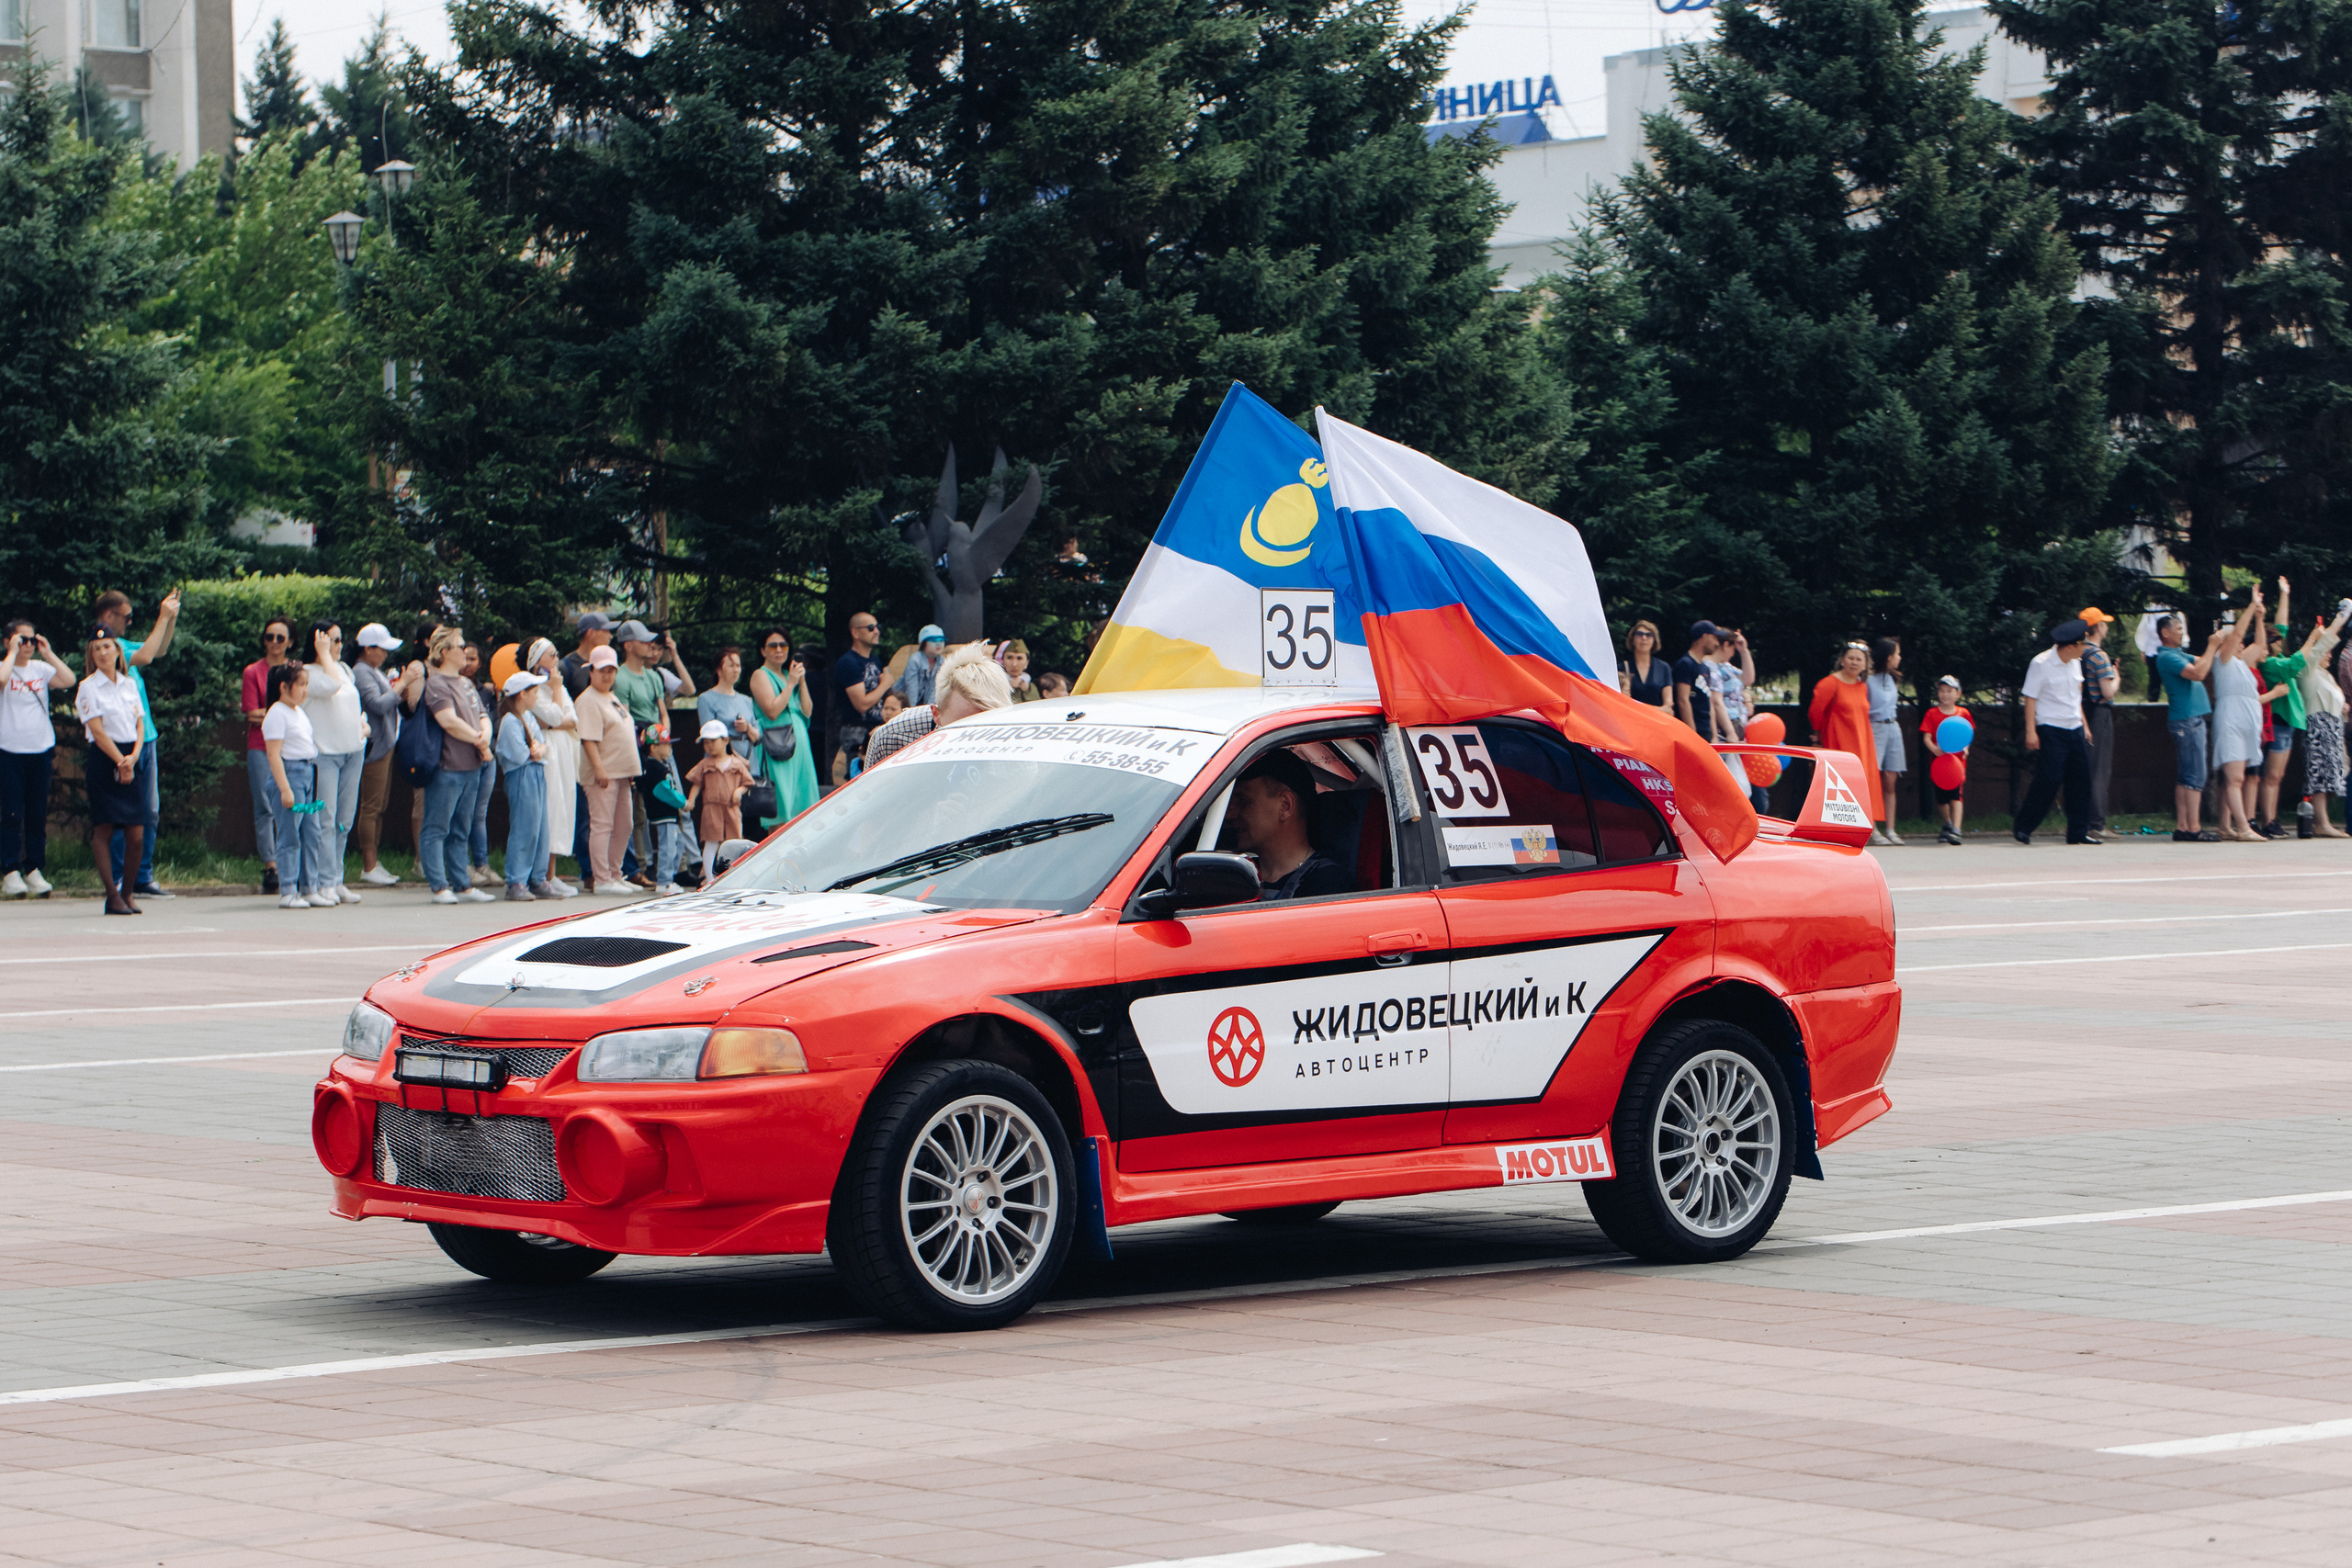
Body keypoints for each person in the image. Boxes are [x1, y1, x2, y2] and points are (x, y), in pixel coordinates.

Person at [92, 588, 179, 900]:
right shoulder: (110, 648)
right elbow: (145, 656)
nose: (129, 622)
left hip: (147, 738)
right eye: (126, 617)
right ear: (108, 616)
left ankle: (142, 876)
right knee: (124, 814)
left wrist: (170, 621)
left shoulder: (124, 644)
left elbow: (159, 650)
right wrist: (162, 617)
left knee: (150, 811)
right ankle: (119, 877)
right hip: (124, 743)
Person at [418, 626, 496, 904]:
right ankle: (439, 885)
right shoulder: (437, 684)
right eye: (460, 646)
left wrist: (483, 737)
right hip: (448, 766)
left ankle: (462, 884)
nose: (466, 652)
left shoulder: (465, 683)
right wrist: (480, 741)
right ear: (443, 652)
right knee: (438, 827)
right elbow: (448, 721)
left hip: (472, 765)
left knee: (461, 827)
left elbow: (483, 715)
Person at [76, 629, 146, 915]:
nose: (103, 653)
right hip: (106, 758)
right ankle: (111, 895)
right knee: (104, 827)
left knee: (137, 833)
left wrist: (134, 756)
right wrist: (121, 762)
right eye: (97, 649)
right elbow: (97, 730)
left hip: (131, 753)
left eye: (107, 647)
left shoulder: (129, 684)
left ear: (118, 651)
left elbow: (140, 724)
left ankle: (127, 893)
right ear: (92, 656)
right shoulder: (88, 687)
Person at [2, 620, 72, 898]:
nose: (28, 644)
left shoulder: (41, 670)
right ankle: (9, 871)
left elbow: (68, 679)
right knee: (11, 813)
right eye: (22, 639)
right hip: (8, 750)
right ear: (9, 640)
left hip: (40, 749)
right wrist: (11, 653)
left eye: (31, 640)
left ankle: (33, 869)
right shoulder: (4, 667)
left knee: (36, 814)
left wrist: (48, 653)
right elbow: (2, 680)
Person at [300, 622, 368, 904]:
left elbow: (352, 704)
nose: (339, 645)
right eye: (333, 640)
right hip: (325, 754)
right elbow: (330, 687)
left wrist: (364, 726)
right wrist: (324, 654)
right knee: (326, 820)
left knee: (344, 821)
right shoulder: (308, 673)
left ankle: (337, 879)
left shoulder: (344, 670)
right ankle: (323, 881)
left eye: (340, 640)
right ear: (319, 642)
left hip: (353, 751)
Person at [1229, 749, 1353, 900]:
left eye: (1243, 801)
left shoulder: (1331, 887)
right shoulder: (1236, 879)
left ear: (1285, 806)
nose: (1229, 815)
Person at [2014, 618, 2097, 846]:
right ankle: (2024, 827)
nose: (2084, 649)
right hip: (2051, 728)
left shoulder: (2075, 662)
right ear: (2070, 646)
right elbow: (2030, 698)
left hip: (2074, 728)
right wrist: (2031, 731)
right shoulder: (2041, 663)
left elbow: (2075, 697)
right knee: (2048, 779)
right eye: (2082, 645)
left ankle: (2078, 832)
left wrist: (2085, 725)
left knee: (2081, 781)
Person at [864, 643, 1014, 765]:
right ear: (936, 714)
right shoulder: (893, 738)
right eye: (963, 727)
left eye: (989, 727)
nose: (974, 739)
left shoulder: (1018, 746)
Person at [572, 648, 643, 894]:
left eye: (611, 670)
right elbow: (588, 739)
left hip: (622, 772)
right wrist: (599, 769)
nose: (607, 675)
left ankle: (615, 873)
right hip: (604, 773)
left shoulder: (611, 698)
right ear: (591, 670)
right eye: (602, 670)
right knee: (602, 825)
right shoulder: (588, 700)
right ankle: (602, 878)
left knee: (624, 825)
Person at [260, 662, 330, 909]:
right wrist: (285, 788)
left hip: (308, 772)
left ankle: (309, 887)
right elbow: (273, 754)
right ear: (284, 687)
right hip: (290, 774)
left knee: (311, 833)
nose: (304, 690)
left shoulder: (298, 712)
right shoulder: (277, 713)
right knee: (290, 836)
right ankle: (288, 889)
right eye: (301, 684)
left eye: (306, 684)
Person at [2150, 613, 2224, 841]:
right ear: (2166, 633)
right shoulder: (2168, 657)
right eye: (2179, 629)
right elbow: (2199, 672)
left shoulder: (2176, 654)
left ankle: (2183, 826)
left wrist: (2219, 643)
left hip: (2186, 720)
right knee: (2194, 776)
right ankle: (2194, 828)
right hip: (2187, 720)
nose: (2183, 633)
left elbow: (2204, 661)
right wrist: (2212, 644)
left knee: (2186, 777)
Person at [240, 616, 295, 894]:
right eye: (269, 637)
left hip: (290, 748)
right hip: (260, 746)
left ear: (290, 643)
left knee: (291, 804)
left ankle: (290, 863)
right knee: (265, 807)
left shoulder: (294, 672)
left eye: (280, 638)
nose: (274, 643)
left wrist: (272, 713)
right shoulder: (253, 672)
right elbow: (252, 713)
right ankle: (271, 865)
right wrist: (282, 713)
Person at [525, 639, 582, 894]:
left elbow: (572, 718)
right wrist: (557, 693)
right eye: (551, 655)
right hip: (550, 752)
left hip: (564, 752)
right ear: (537, 661)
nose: (557, 658)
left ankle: (552, 872)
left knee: (564, 807)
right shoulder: (535, 688)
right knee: (552, 808)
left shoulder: (558, 686)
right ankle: (543, 874)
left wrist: (557, 713)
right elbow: (559, 716)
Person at [2210, 592, 2268, 841]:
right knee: (2236, 778)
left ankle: (2225, 825)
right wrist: (2250, 606)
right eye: (2235, 643)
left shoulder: (2242, 663)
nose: (2241, 645)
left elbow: (2261, 646)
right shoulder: (2221, 660)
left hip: (2245, 721)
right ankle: (2244, 827)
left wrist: (2259, 617)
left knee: (2232, 778)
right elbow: (2236, 635)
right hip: (2231, 720)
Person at [749, 627, 820, 828]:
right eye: (773, 646)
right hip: (777, 744)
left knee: (803, 804)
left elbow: (807, 711)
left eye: (783, 645)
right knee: (781, 806)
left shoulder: (791, 676)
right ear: (763, 650)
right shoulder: (760, 675)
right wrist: (790, 684)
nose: (779, 649)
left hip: (799, 743)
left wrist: (801, 681)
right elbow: (772, 710)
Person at [351, 625, 406, 885]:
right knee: (371, 807)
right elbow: (377, 704)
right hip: (375, 747)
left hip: (385, 744)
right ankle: (368, 865)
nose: (385, 654)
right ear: (367, 649)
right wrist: (401, 686)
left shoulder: (372, 670)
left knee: (379, 806)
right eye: (381, 649)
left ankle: (374, 863)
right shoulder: (361, 672)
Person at [1807, 642, 1883, 829]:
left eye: (1859, 659)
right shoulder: (1830, 683)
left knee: (1861, 783)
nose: (1854, 662)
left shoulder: (1862, 686)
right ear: (1842, 660)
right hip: (1839, 742)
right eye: (1850, 658)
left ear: (1865, 664)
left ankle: (1863, 825)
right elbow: (1815, 712)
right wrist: (1818, 735)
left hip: (1862, 742)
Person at [495, 671, 552, 901]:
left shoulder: (528, 717)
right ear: (521, 695)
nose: (537, 696)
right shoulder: (510, 721)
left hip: (536, 772)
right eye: (534, 691)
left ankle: (537, 878)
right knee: (525, 828)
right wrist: (535, 750)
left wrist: (539, 749)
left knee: (541, 827)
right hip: (522, 775)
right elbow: (521, 754)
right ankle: (517, 880)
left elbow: (541, 743)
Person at [2297, 601, 2352, 836]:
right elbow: (2320, 646)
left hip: (2331, 727)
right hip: (2317, 727)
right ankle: (2322, 823)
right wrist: (2341, 618)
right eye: (2326, 652)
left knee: (2329, 775)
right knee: (2318, 775)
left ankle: (2324, 821)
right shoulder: (2306, 670)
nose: (2329, 655)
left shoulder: (2324, 674)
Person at [2256, 577, 2303, 837]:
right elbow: (2296, 663)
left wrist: (2284, 594)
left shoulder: (2278, 656)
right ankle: (2269, 820)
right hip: (2278, 721)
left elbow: (2281, 626)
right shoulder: (2271, 665)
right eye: (2276, 641)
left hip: (2287, 722)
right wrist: (2314, 642)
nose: (2280, 643)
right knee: (2272, 775)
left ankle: (2272, 819)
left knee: (2278, 775)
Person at [685, 720, 756, 880]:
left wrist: (739, 791)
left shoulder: (737, 763)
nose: (709, 746)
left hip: (731, 808)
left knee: (735, 841)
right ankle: (710, 879)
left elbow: (747, 782)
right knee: (711, 842)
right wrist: (691, 801)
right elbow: (696, 784)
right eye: (706, 743)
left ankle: (736, 876)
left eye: (713, 741)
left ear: (725, 740)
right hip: (712, 808)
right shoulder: (705, 764)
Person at [2075, 609, 2121, 833]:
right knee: (2100, 769)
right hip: (2099, 713)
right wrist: (2116, 676)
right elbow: (2108, 691)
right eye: (2104, 623)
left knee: (2084, 768)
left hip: (2080, 713)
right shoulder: (2099, 655)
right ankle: (2096, 823)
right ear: (2098, 627)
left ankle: (2082, 819)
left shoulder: (2077, 652)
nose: (2106, 626)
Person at [1708, 629, 1761, 807]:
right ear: (1725, 645)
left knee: (1737, 780)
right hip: (1725, 727)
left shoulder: (1728, 667)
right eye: (1733, 646)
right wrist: (1730, 731)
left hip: (1738, 724)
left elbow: (1748, 678)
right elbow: (1716, 701)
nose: (1733, 651)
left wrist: (1743, 651)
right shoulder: (1710, 666)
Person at [460, 641, 500, 883]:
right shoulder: (455, 687)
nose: (467, 664)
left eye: (472, 659)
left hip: (488, 757)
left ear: (480, 663)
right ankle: (463, 865)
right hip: (466, 757)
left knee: (479, 814)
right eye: (464, 658)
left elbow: (493, 719)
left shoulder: (487, 692)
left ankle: (482, 864)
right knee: (463, 814)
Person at [832, 611, 887, 784]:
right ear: (855, 632)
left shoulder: (875, 660)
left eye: (878, 627)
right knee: (858, 782)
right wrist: (885, 684)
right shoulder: (848, 663)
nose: (876, 631)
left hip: (875, 728)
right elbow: (861, 704)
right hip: (856, 730)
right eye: (871, 628)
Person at [1918, 676, 1972, 845]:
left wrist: (1965, 747)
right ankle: (1947, 823)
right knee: (1941, 799)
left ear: (1958, 693)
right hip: (1939, 763)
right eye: (1942, 690)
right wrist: (1933, 748)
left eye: (1949, 691)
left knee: (1956, 797)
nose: (1945, 694)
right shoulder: (1932, 713)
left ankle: (1956, 830)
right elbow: (1926, 736)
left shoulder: (1963, 713)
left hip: (1957, 764)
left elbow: (1967, 735)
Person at [1866, 637, 1907, 844]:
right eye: (1897, 653)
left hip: (1893, 727)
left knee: (1890, 780)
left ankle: (1891, 829)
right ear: (1889, 656)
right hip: (1875, 728)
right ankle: (1873, 829)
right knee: (1872, 779)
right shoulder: (1868, 680)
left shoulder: (1892, 678)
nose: (1900, 658)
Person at [638, 723, 686, 895]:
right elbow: (663, 791)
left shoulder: (660, 765)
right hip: (663, 814)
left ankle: (669, 877)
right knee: (668, 847)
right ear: (654, 747)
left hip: (669, 815)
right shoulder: (654, 768)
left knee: (678, 843)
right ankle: (665, 881)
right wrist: (682, 802)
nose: (669, 747)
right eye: (666, 743)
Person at [697, 646, 761, 762]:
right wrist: (738, 761)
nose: (736, 670)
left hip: (750, 761)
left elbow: (757, 736)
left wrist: (747, 727)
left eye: (738, 666)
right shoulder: (706, 699)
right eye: (731, 666)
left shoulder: (746, 700)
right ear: (719, 670)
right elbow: (710, 739)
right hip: (722, 765)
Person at [1672, 621, 1724, 739]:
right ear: (1704, 637)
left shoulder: (1705, 667)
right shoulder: (1685, 664)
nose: (1717, 643)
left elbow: (1708, 702)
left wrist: (1714, 734)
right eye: (1714, 638)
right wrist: (1692, 735)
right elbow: (1683, 700)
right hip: (1692, 733)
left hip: (1706, 731)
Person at [1618, 620, 1671, 713]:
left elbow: (1668, 706)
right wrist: (1656, 709)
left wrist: (1640, 708)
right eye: (1639, 634)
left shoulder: (1663, 668)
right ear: (1633, 639)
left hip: (1657, 723)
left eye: (1649, 635)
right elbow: (1620, 703)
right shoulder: (1622, 668)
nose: (1644, 638)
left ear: (1654, 640)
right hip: (1632, 721)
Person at [559, 612, 613, 697]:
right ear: (591, 633)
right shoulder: (565, 667)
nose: (610, 636)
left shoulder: (608, 664)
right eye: (606, 631)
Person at [893, 626, 947, 709]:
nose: (939, 643)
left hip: (922, 704)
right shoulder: (915, 660)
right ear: (923, 643)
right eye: (933, 640)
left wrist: (929, 711)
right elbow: (911, 689)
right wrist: (911, 711)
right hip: (902, 703)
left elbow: (935, 689)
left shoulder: (942, 661)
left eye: (941, 640)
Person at [999, 639, 1040, 703]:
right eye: (1009, 658)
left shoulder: (1030, 687)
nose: (1014, 664)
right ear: (1003, 661)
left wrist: (1026, 691)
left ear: (1027, 663)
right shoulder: (995, 684)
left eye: (1019, 658)